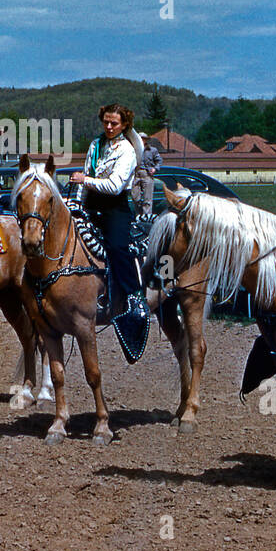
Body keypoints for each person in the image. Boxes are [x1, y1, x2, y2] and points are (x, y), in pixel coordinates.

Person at [71, 103, 149, 362]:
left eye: (114, 123)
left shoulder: (127, 150)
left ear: (124, 125)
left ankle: (134, 295)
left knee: (117, 247)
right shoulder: (95, 145)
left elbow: (115, 186)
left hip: (115, 207)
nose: (109, 127)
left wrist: (86, 181)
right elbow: (87, 173)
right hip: (92, 205)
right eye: (105, 122)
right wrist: (77, 203)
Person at [133, 137, 162, 212]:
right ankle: (138, 216)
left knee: (147, 199)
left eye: (143, 139)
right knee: (135, 198)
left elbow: (159, 161)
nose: (141, 140)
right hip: (135, 174)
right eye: (140, 138)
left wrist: (155, 168)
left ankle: (146, 217)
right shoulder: (133, 149)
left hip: (147, 174)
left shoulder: (152, 150)